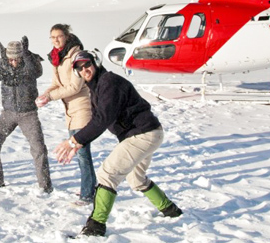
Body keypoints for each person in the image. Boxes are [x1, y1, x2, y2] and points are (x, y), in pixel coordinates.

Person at [54, 50, 182, 237]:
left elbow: (104, 118)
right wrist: (78, 143)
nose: (84, 70)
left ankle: (95, 227)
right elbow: (97, 118)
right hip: (146, 133)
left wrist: (74, 140)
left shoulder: (109, 82)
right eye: (79, 68)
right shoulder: (97, 87)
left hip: (142, 134)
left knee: (107, 174)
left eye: (87, 64)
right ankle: (171, 210)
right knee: (136, 179)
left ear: (95, 63)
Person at [0, 36, 53, 194]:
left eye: (17, 59)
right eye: (11, 59)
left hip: (28, 113)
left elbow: (37, 72)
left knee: (38, 148)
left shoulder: (29, 63)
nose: (13, 62)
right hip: (8, 113)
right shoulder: (2, 64)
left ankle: (45, 186)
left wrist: (27, 54)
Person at [36, 24, 96, 204]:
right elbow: (57, 83)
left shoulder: (76, 56)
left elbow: (75, 86)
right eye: (52, 37)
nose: (55, 40)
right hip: (71, 110)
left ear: (67, 36)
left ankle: (87, 194)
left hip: (82, 107)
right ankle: (89, 189)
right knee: (81, 153)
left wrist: (51, 97)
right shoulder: (58, 57)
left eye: (59, 36)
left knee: (82, 153)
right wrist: (46, 94)